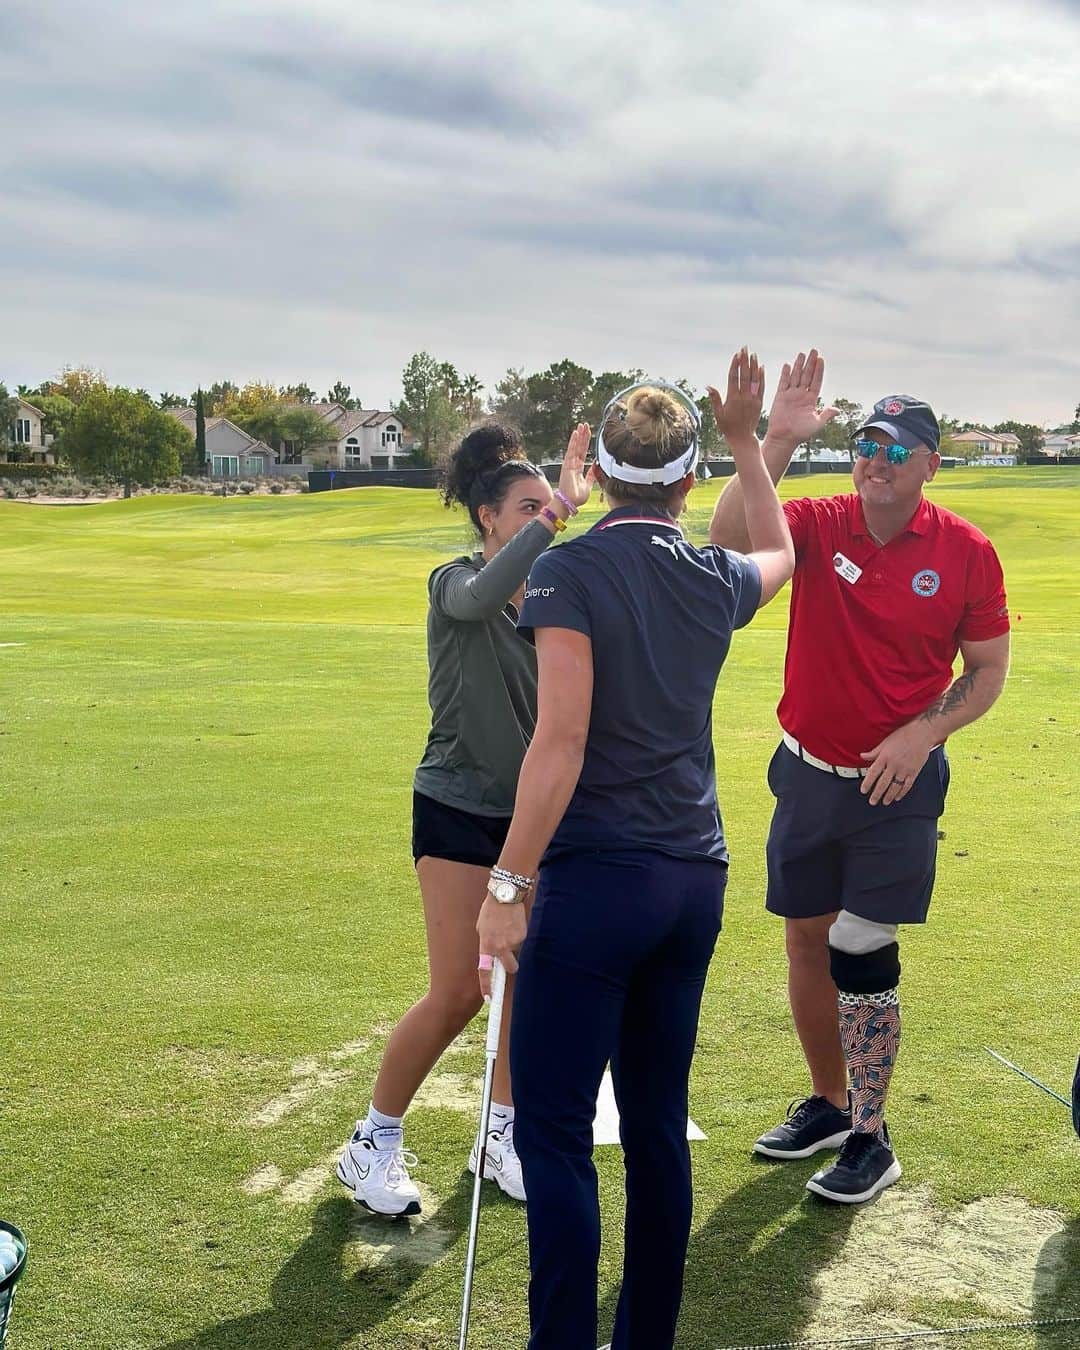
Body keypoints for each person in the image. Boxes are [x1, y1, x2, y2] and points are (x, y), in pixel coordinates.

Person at [476, 355, 796, 1349]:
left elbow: (559, 742)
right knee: (655, 1124)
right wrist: (752, 437)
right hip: (691, 881)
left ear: (604, 475)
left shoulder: (565, 568)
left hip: (598, 883)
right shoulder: (713, 571)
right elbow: (779, 550)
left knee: (557, 1130)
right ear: (689, 481)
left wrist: (505, 882)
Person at [710, 352, 1011, 1203]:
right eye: (864, 445)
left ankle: (874, 1140)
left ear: (929, 464)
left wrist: (923, 734)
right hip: (806, 774)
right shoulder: (817, 521)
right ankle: (833, 1104)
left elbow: (986, 671)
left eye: (894, 448)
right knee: (806, 939)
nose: (874, 460)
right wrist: (770, 440)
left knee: (858, 942)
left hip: (897, 788)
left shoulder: (964, 552)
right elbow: (729, 539)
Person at [336, 419, 593, 1216]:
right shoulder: (452, 583)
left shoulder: (551, 603)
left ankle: (499, 1137)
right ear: (490, 517)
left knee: (516, 989)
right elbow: (484, 593)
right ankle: (370, 1143)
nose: (541, 520)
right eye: (527, 509)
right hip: (453, 806)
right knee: (456, 991)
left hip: (524, 823)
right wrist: (560, 511)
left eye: (545, 509)